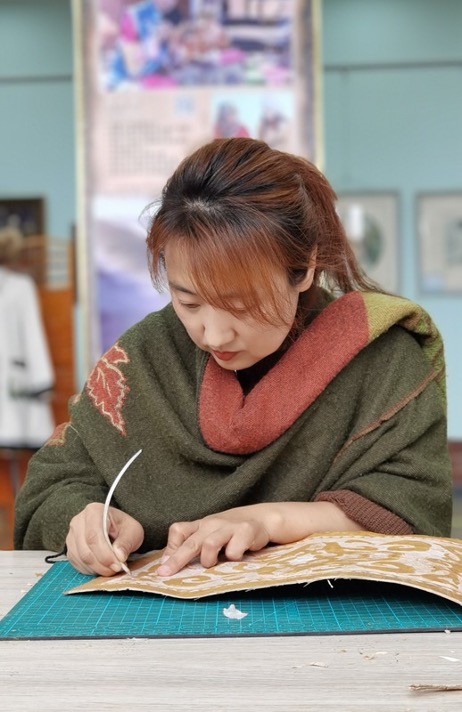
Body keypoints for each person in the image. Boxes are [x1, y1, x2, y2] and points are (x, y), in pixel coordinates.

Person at [14, 137, 453, 579]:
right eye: (188, 302)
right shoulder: (143, 356)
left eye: (241, 305)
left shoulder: (381, 359)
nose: (213, 334)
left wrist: (270, 520)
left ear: (304, 269)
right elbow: (54, 486)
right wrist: (89, 519)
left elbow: (411, 511)